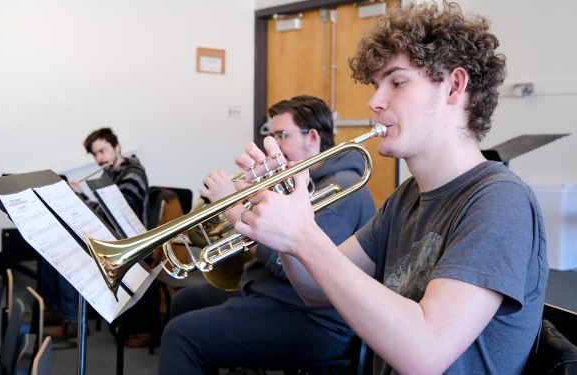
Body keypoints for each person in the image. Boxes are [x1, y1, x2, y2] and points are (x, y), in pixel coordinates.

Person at [232, 3, 549, 374]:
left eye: (396, 82)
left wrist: (304, 238)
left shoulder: (499, 200)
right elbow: (314, 290)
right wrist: (283, 223)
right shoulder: (406, 197)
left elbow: (425, 354)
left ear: (455, 86)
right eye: (376, 85)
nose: (374, 101)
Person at [158, 95, 376, 374]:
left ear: (311, 137)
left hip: (313, 319)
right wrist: (251, 196)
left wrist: (232, 208)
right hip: (270, 293)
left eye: (282, 135)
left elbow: (296, 271)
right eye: (272, 136)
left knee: (180, 336)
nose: (274, 146)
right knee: (184, 302)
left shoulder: (342, 187)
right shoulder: (300, 179)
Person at [42, 127, 151, 341]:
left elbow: (116, 215)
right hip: (111, 238)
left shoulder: (133, 174)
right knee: (52, 242)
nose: (99, 158)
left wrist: (81, 197)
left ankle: (74, 320)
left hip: (128, 244)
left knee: (72, 251)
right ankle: (56, 308)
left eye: (103, 151)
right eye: (95, 154)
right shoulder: (109, 174)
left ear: (117, 148)